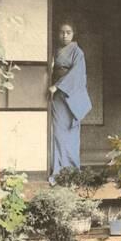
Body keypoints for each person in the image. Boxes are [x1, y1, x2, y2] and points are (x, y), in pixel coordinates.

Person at [48, 22, 92, 185]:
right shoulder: (54, 50)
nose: (64, 35)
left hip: (69, 96)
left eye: (68, 32)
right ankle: (58, 169)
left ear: (74, 34)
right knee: (58, 133)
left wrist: (58, 85)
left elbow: (77, 74)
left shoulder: (77, 52)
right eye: (61, 32)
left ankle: (71, 169)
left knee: (70, 133)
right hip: (58, 98)